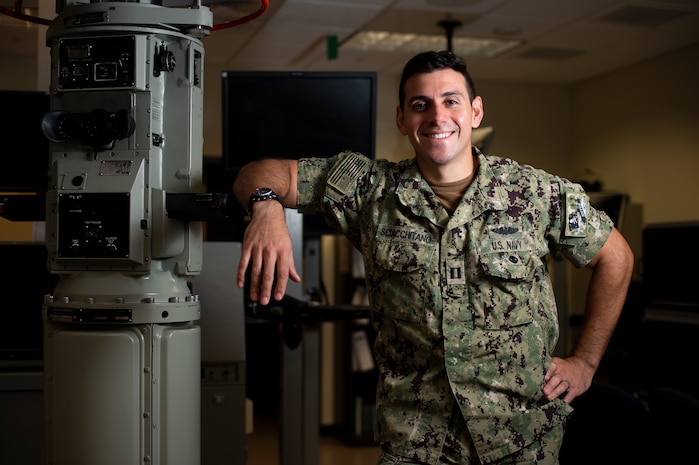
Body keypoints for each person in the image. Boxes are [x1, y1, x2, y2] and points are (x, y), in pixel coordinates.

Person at [232, 50, 634, 465]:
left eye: (451, 101)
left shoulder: (534, 193)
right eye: (420, 105)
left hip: (522, 439)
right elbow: (258, 171)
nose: (437, 116)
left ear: (475, 112)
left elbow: (616, 258)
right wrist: (266, 208)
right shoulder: (370, 191)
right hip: (417, 442)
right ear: (402, 119)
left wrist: (585, 362)